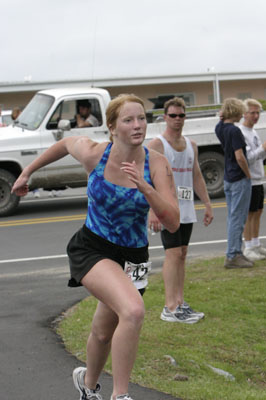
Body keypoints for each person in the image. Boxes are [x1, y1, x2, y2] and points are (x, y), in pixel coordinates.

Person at [12, 94, 180, 400]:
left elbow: (172, 223)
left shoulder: (156, 164)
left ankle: (87, 387)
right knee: (132, 310)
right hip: (92, 247)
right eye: (128, 120)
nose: (137, 125)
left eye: (141, 118)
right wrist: (27, 172)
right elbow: (63, 144)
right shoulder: (95, 154)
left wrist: (147, 190)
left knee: (104, 332)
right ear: (113, 127)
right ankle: (121, 395)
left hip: (133, 256)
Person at [147, 97, 213, 324]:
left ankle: (180, 303)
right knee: (172, 254)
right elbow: (146, 179)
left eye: (181, 115)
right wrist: (152, 210)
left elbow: (196, 175)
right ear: (164, 117)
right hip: (166, 208)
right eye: (173, 115)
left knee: (182, 254)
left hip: (186, 207)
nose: (177, 119)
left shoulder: (191, 145)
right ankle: (169, 306)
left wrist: (207, 203)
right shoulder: (157, 145)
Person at [215, 98, 253, 269]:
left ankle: (235, 251)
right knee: (238, 217)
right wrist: (248, 174)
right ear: (237, 112)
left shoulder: (220, 127)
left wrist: (221, 117)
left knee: (232, 217)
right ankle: (233, 255)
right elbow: (240, 156)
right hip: (238, 178)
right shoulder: (235, 131)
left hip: (228, 177)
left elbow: (220, 122)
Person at [240, 99, 266, 261]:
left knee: (258, 212)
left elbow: (259, 156)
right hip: (248, 179)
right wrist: (263, 148)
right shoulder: (241, 132)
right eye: (252, 113)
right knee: (249, 214)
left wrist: (263, 151)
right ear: (244, 113)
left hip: (258, 178)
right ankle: (248, 246)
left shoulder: (254, 132)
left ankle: (256, 243)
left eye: (258, 112)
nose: (256, 116)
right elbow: (247, 158)